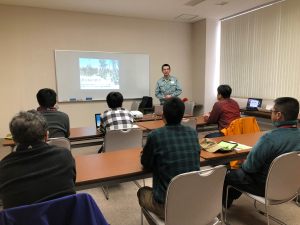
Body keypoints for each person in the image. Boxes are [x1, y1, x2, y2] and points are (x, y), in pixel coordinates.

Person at [223, 97, 300, 208]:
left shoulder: (269, 138)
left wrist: (242, 162)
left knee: (227, 174)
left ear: (278, 115)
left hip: (264, 186)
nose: (271, 114)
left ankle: (223, 207)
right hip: (291, 187)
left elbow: (249, 168)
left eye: (272, 111)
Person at [137, 97, 200, 222]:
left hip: (167, 205)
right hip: (192, 200)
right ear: (183, 116)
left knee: (142, 192)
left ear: (163, 116)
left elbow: (145, 163)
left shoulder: (155, 135)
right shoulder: (193, 133)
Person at [0, 110, 76, 209]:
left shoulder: (3, 167)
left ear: (14, 140)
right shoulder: (65, 156)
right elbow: (72, 183)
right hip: (64, 217)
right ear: (46, 136)